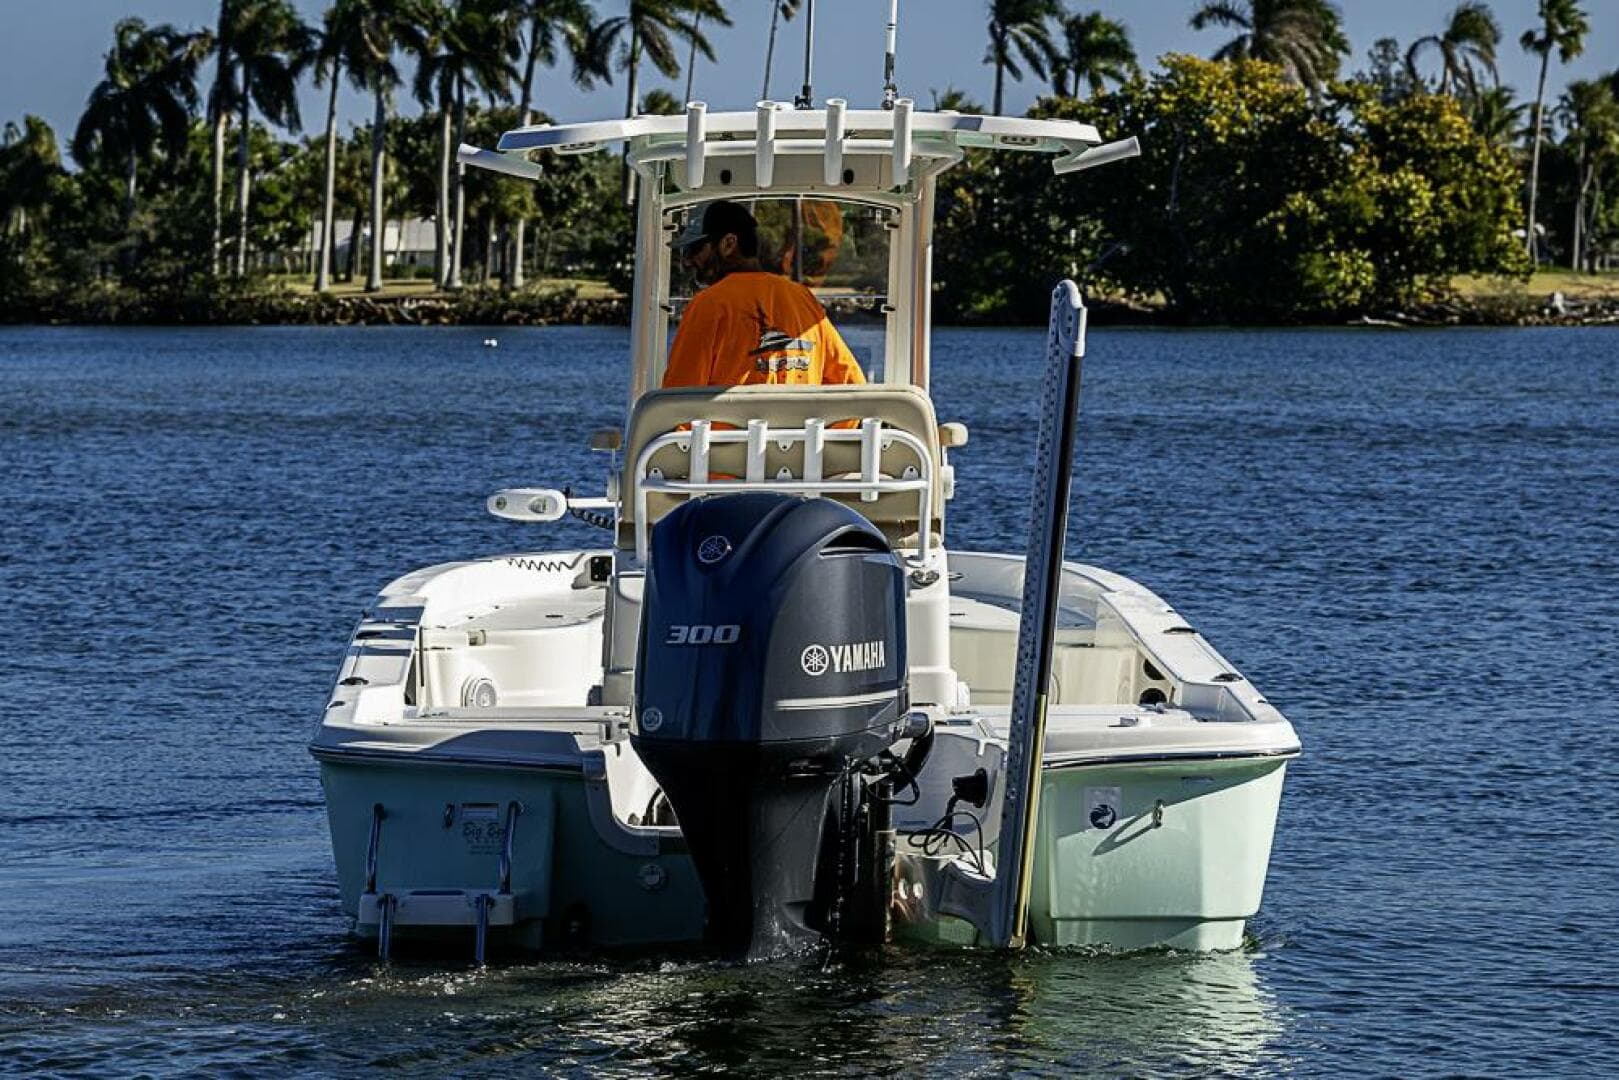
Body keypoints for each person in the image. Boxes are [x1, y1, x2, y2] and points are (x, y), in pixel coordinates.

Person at [663, 200, 865, 388]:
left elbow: (678, 400)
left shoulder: (707, 305)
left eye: (694, 249)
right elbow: (851, 383)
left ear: (728, 243)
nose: (688, 261)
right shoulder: (802, 298)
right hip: (801, 428)